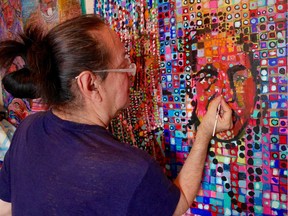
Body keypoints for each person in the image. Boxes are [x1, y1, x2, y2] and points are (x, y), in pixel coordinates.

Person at [0, 14, 233, 216]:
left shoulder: (28, 128)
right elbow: (178, 203)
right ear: (89, 83)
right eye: (124, 65)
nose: (133, 71)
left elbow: (5, 208)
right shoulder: (130, 169)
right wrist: (205, 131)